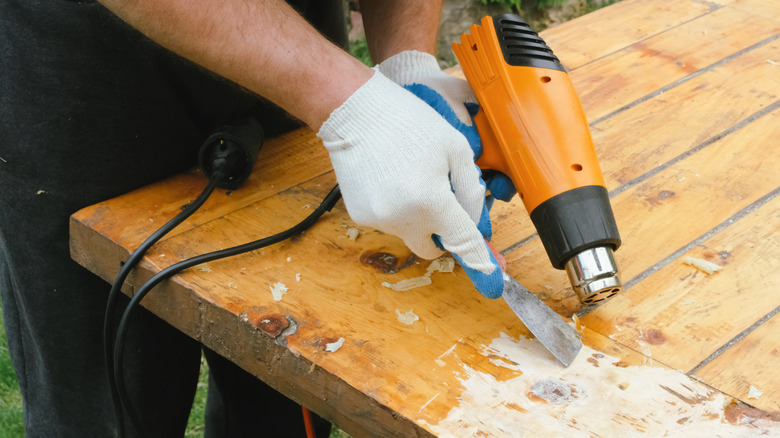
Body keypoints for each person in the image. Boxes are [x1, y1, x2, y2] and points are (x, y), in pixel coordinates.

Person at [0, 0, 513, 436]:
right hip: (83, 79)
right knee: (107, 403)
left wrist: (406, 64)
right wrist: (346, 101)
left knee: (286, 389)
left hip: (299, 63)